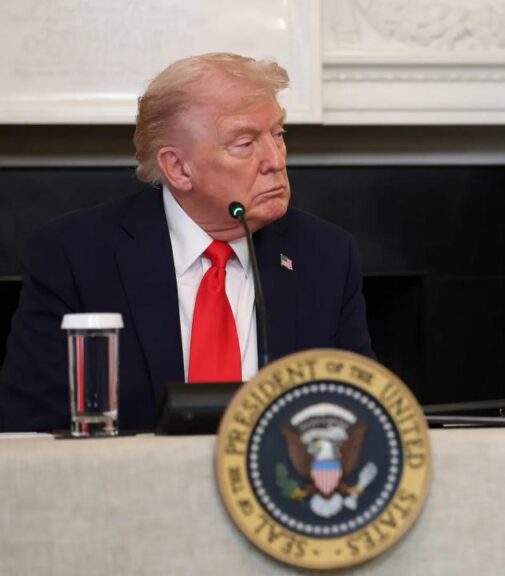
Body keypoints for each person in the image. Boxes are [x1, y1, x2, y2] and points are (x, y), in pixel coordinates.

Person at [0, 53, 373, 432]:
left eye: (278, 134)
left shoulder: (325, 255)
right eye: (245, 143)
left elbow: (360, 413)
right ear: (178, 168)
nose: (275, 160)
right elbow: (28, 431)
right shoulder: (76, 256)